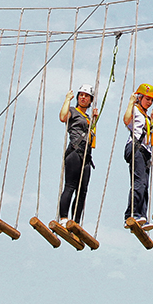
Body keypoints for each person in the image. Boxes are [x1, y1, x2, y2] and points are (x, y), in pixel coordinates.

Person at [58, 83, 98, 226]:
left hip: (86, 157)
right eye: (81, 95)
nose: (83, 97)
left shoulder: (88, 117)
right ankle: (63, 218)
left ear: (90, 100)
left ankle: (75, 222)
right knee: (70, 186)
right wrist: (67, 99)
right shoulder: (73, 111)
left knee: (82, 192)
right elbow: (63, 117)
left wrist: (93, 121)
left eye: (86, 96)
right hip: (75, 152)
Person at [123, 82, 153, 228]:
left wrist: (152, 118)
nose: (149, 102)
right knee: (139, 183)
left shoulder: (145, 115)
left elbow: (150, 136)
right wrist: (131, 102)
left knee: (145, 186)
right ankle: (131, 214)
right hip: (136, 148)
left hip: (145, 151)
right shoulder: (135, 110)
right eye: (147, 99)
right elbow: (126, 120)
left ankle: (142, 215)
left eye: (151, 100)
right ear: (140, 97)